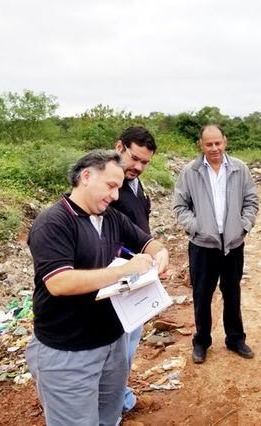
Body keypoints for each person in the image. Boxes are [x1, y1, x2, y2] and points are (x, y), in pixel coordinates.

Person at [26, 150, 170, 425]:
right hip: (68, 352)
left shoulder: (111, 218)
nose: (115, 196)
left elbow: (148, 243)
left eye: (119, 188)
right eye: (111, 186)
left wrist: (160, 254)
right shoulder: (53, 223)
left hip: (112, 344)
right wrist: (125, 270)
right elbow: (59, 283)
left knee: (109, 417)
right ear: (86, 176)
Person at [173, 124, 259, 364]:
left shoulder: (240, 169)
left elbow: (251, 201)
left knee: (232, 292)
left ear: (225, 141)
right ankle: (201, 341)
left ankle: (235, 339)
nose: (214, 148)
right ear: (201, 145)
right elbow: (180, 206)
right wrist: (197, 227)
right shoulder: (190, 172)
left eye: (217, 143)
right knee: (202, 295)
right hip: (202, 245)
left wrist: (243, 226)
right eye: (208, 144)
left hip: (233, 243)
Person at [110, 126, 157, 413]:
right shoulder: (109, 189)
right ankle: (116, 402)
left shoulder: (135, 187)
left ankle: (120, 396)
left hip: (136, 274)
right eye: (134, 158)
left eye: (145, 163)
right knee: (118, 346)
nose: (138, 167)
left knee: (129, 341)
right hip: (117, 275)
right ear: (119, 147)